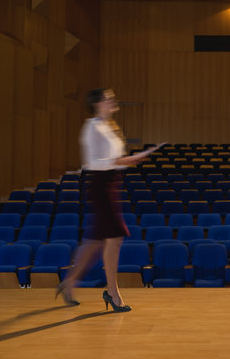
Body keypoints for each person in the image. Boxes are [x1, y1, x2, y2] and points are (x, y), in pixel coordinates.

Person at [56, 88, 164, 312]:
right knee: (114, 238)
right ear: (97, 103)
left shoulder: (109, 127)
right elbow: (95, 162)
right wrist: (130, 160)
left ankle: (68, 282)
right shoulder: (92, 126)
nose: (112, 100)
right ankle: (112, 293)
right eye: (108, 97)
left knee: (96, 241)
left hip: (111, 183)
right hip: (100, 183)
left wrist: (129, 160)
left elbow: (114, 160)